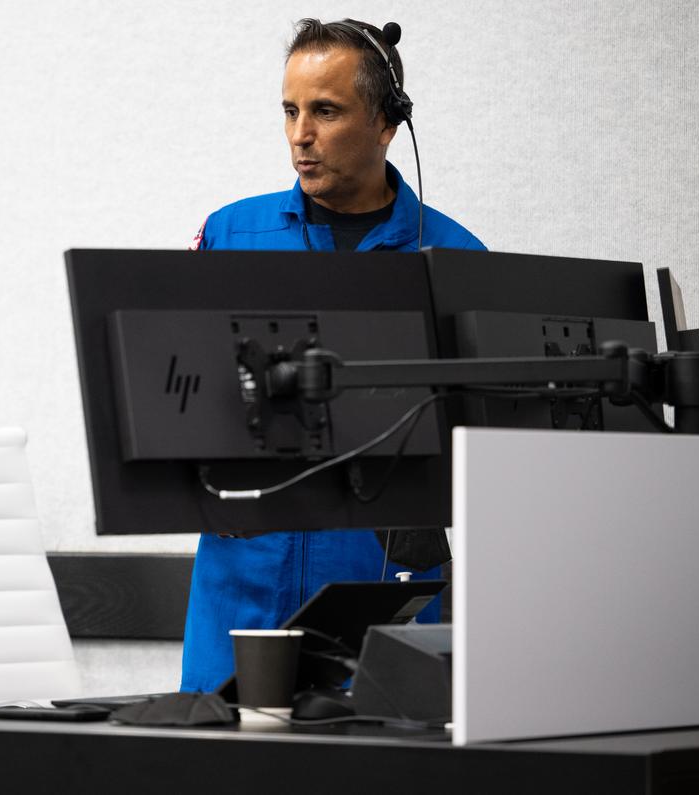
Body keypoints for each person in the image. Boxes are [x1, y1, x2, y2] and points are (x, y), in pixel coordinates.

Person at [181, 19, 486, 693]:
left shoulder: (456, 258)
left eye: (324, 110)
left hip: (378, 597)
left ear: (386, 123)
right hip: (240, 593)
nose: (300, 134)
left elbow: (481, 449)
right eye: (290, 111)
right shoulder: (231, 234)